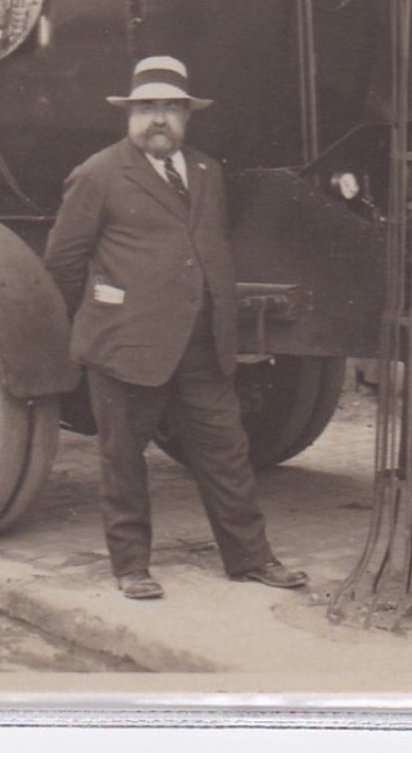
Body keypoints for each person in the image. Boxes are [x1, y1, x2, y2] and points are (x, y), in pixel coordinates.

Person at [43, 55, 309, 601]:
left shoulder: (208, 172)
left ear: (188, 117)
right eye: (146, 108)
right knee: (123, 460)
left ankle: (251, 558)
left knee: (227, 454)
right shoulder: (99, 174)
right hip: (127, 344)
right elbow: (64, 262)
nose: (158, 119)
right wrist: (100, 320)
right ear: (129, 114)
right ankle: (132, 566)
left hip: (203, 346)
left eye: (170, 108)